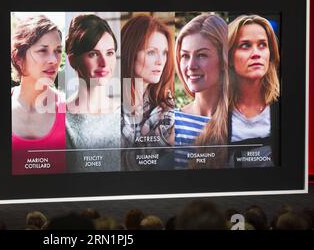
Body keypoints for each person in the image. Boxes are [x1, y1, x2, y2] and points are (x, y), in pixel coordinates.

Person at [11, 15, 66, 175]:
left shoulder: (69, 110)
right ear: (18, 57)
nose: (54, 60)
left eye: (57, 51)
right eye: (43, 50)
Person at [65, 14, 121, 172]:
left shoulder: (127, 115)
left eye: (109, 53)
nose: (104, 63)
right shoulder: (60, 119)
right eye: (93, 54)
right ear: (72, 60)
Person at [174, 14, 230, 169]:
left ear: (223, 60)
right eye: (185, 56)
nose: (190, 65)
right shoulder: (169, 123)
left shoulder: (242, 122)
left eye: (201, 55)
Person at [120, 15, 175, 171]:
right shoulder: (108, 103)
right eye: (151, 52)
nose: (161, 61)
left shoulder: (167, 107)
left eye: (164, 53)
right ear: (130, 52)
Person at [227, 15, 280, 167]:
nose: (256, 53)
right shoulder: (216, 111)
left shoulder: (285, 107)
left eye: (263, 45)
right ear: (229, 57)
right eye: (245, 45)